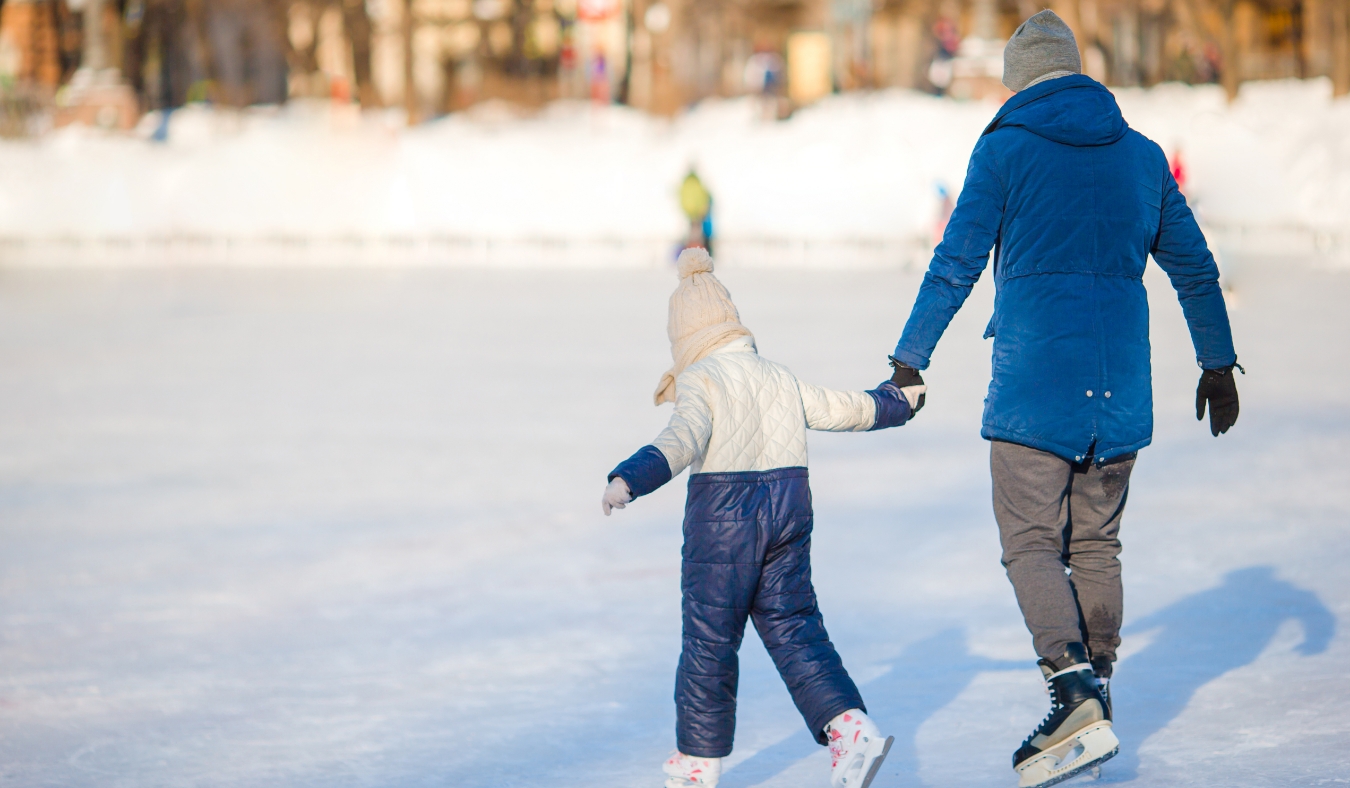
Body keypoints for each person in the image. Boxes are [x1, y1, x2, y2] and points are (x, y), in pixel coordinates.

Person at [884, 11, 1239, 788]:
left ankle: (1073, 690)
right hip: (1118, 397)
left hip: (1033, 394)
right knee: (1097, 547)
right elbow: (1197, 268)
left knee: (1031, 545)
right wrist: (1218, 363)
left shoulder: (1004, 149)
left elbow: (956, 262)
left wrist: (910, 359)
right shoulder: (1142, 157)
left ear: (1019, 82)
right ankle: (1098, 702)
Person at [603, 248, 924, 788]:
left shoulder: (700, 380)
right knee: (795, 626)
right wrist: (898, 400)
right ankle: (850, 729)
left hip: (722, 523)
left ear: (685, 338)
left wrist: (629, 478)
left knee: (710, 639)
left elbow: (679, 441)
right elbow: (844, 408)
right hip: (788, 510)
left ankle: (697, 766)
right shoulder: (777, 375)